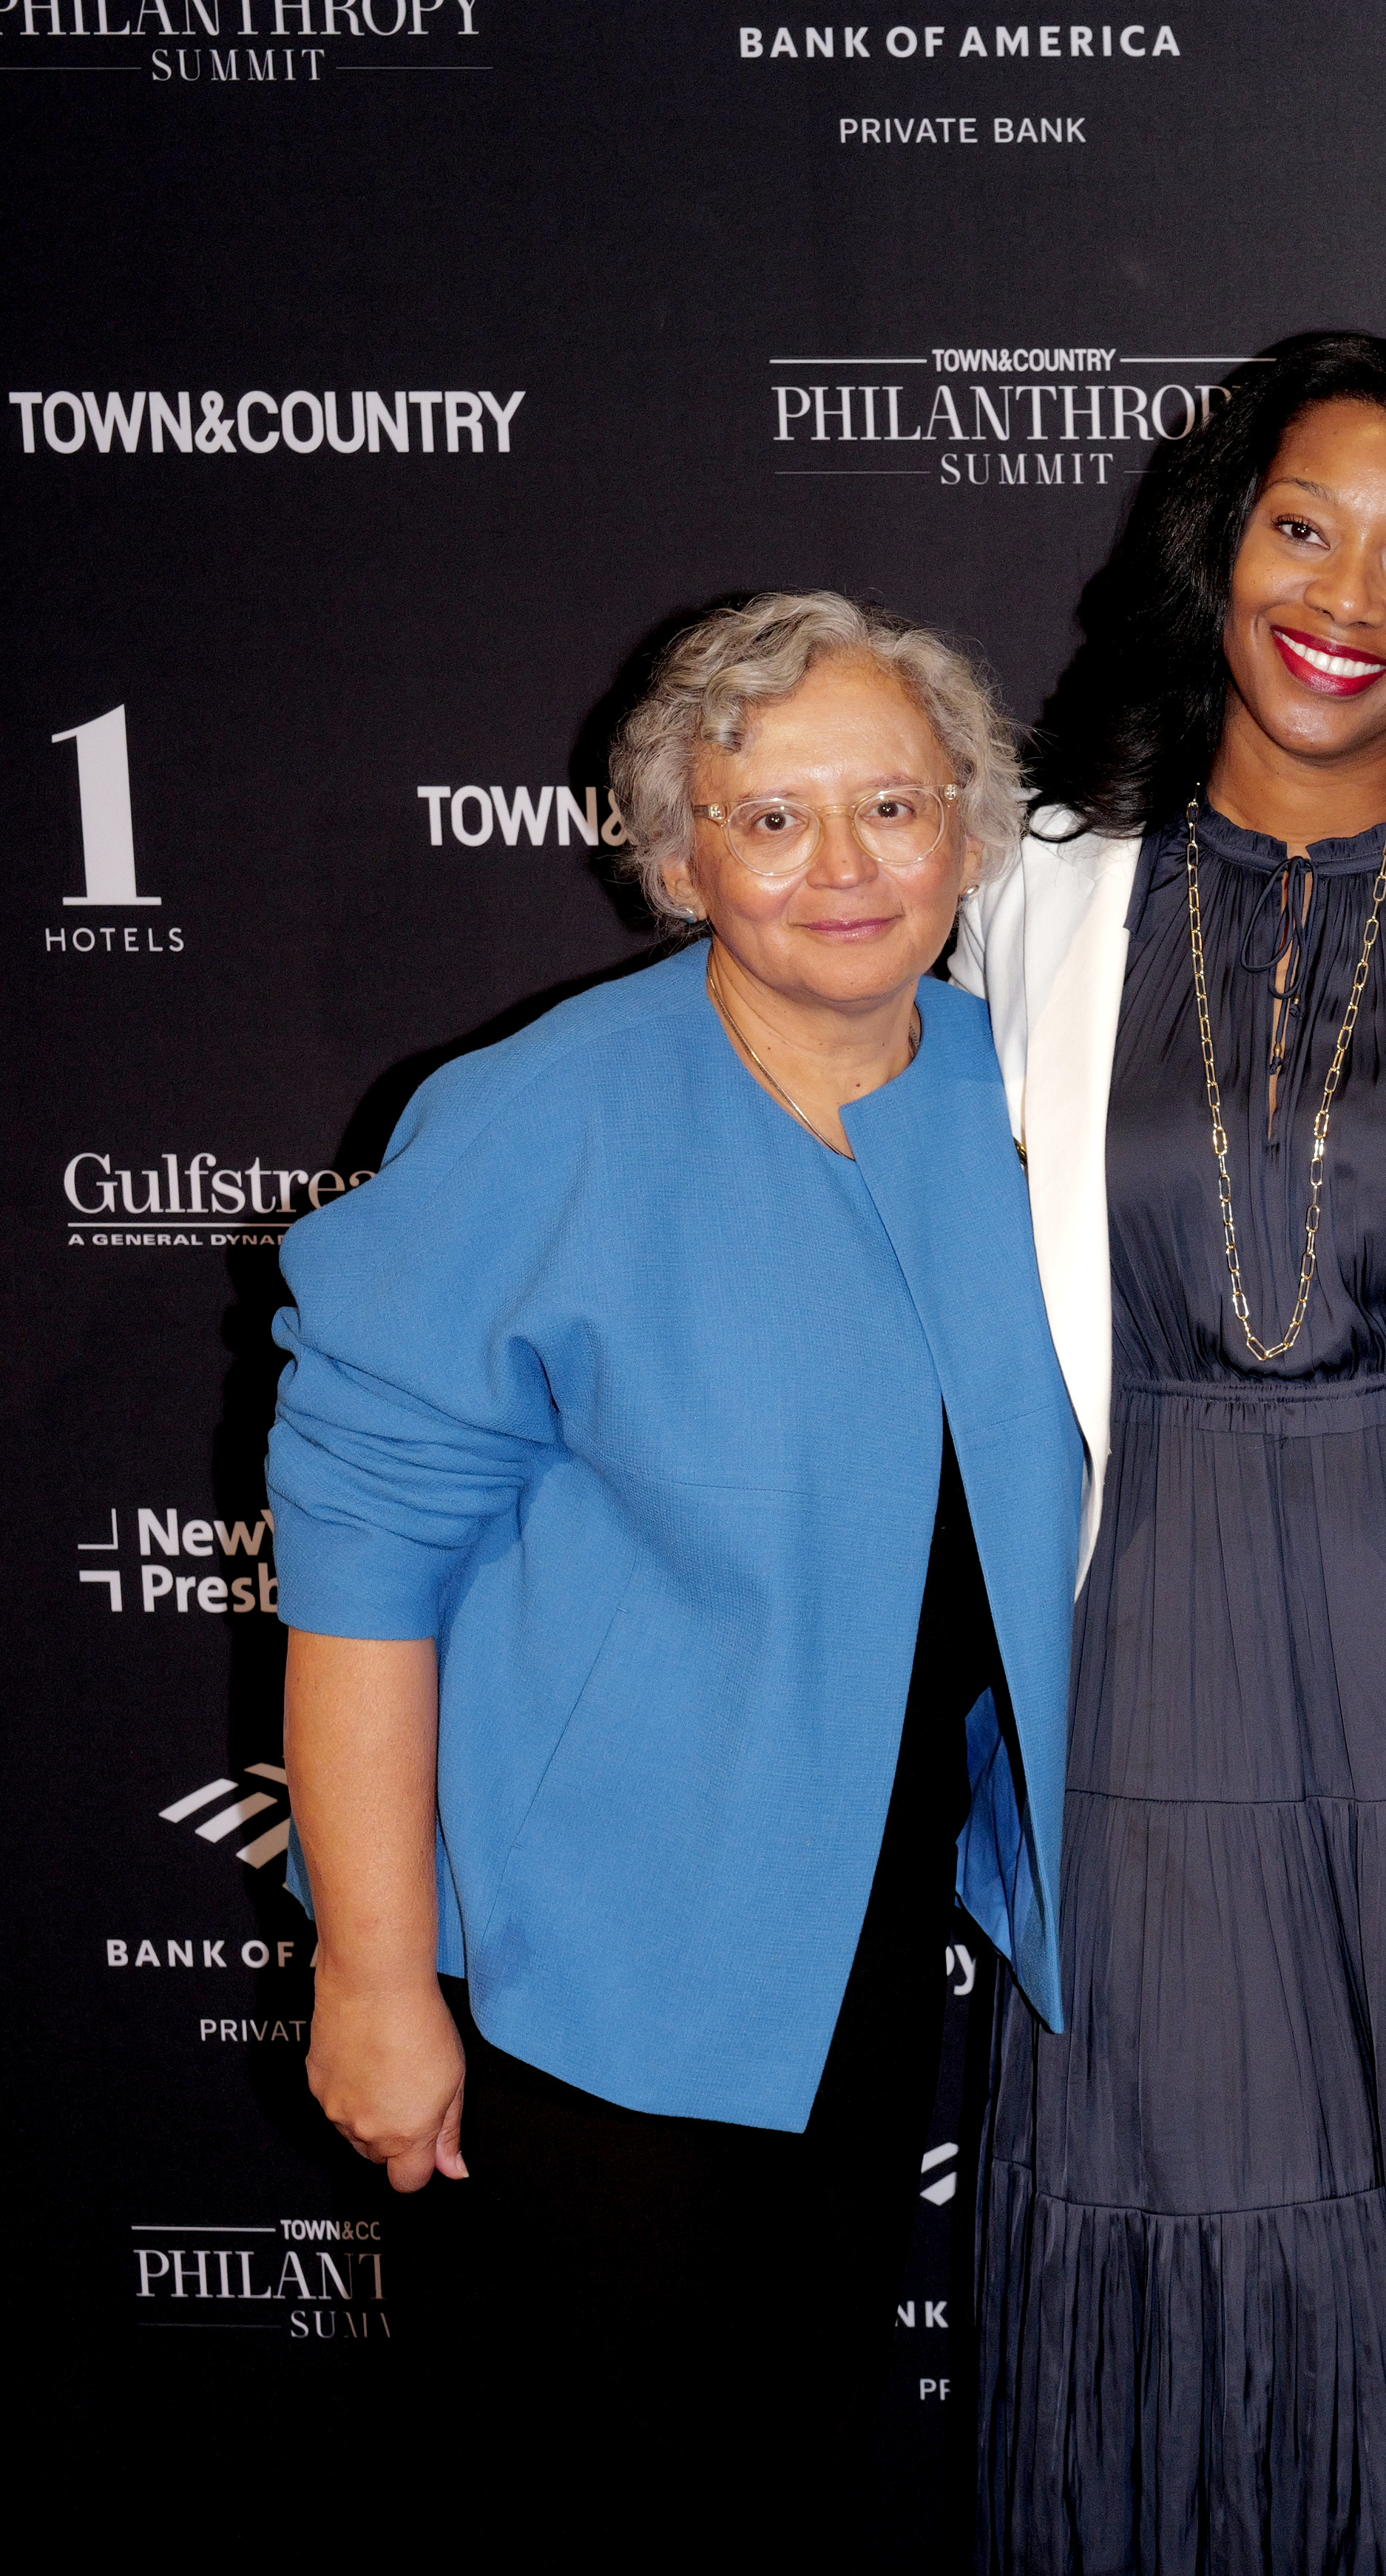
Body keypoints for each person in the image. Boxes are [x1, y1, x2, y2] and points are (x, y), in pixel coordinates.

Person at [271, 591, 1084, 2568]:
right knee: (580, 2505)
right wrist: (377, 1977)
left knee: (789, 2486)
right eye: (772, 815)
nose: (843, 867)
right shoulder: (535, 1123)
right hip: (582, 1992)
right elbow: (361, 1575)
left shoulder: (1034, 1102)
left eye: (893, 804)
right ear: (673, 853)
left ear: (969, 831)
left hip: (863, 1954)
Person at [954, 333, 1386, 2576]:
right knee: (1198, 2259)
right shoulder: (1029, 882)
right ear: (1219, 542)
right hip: (1144, 1655)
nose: (1351, 591)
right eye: (1306, 526)